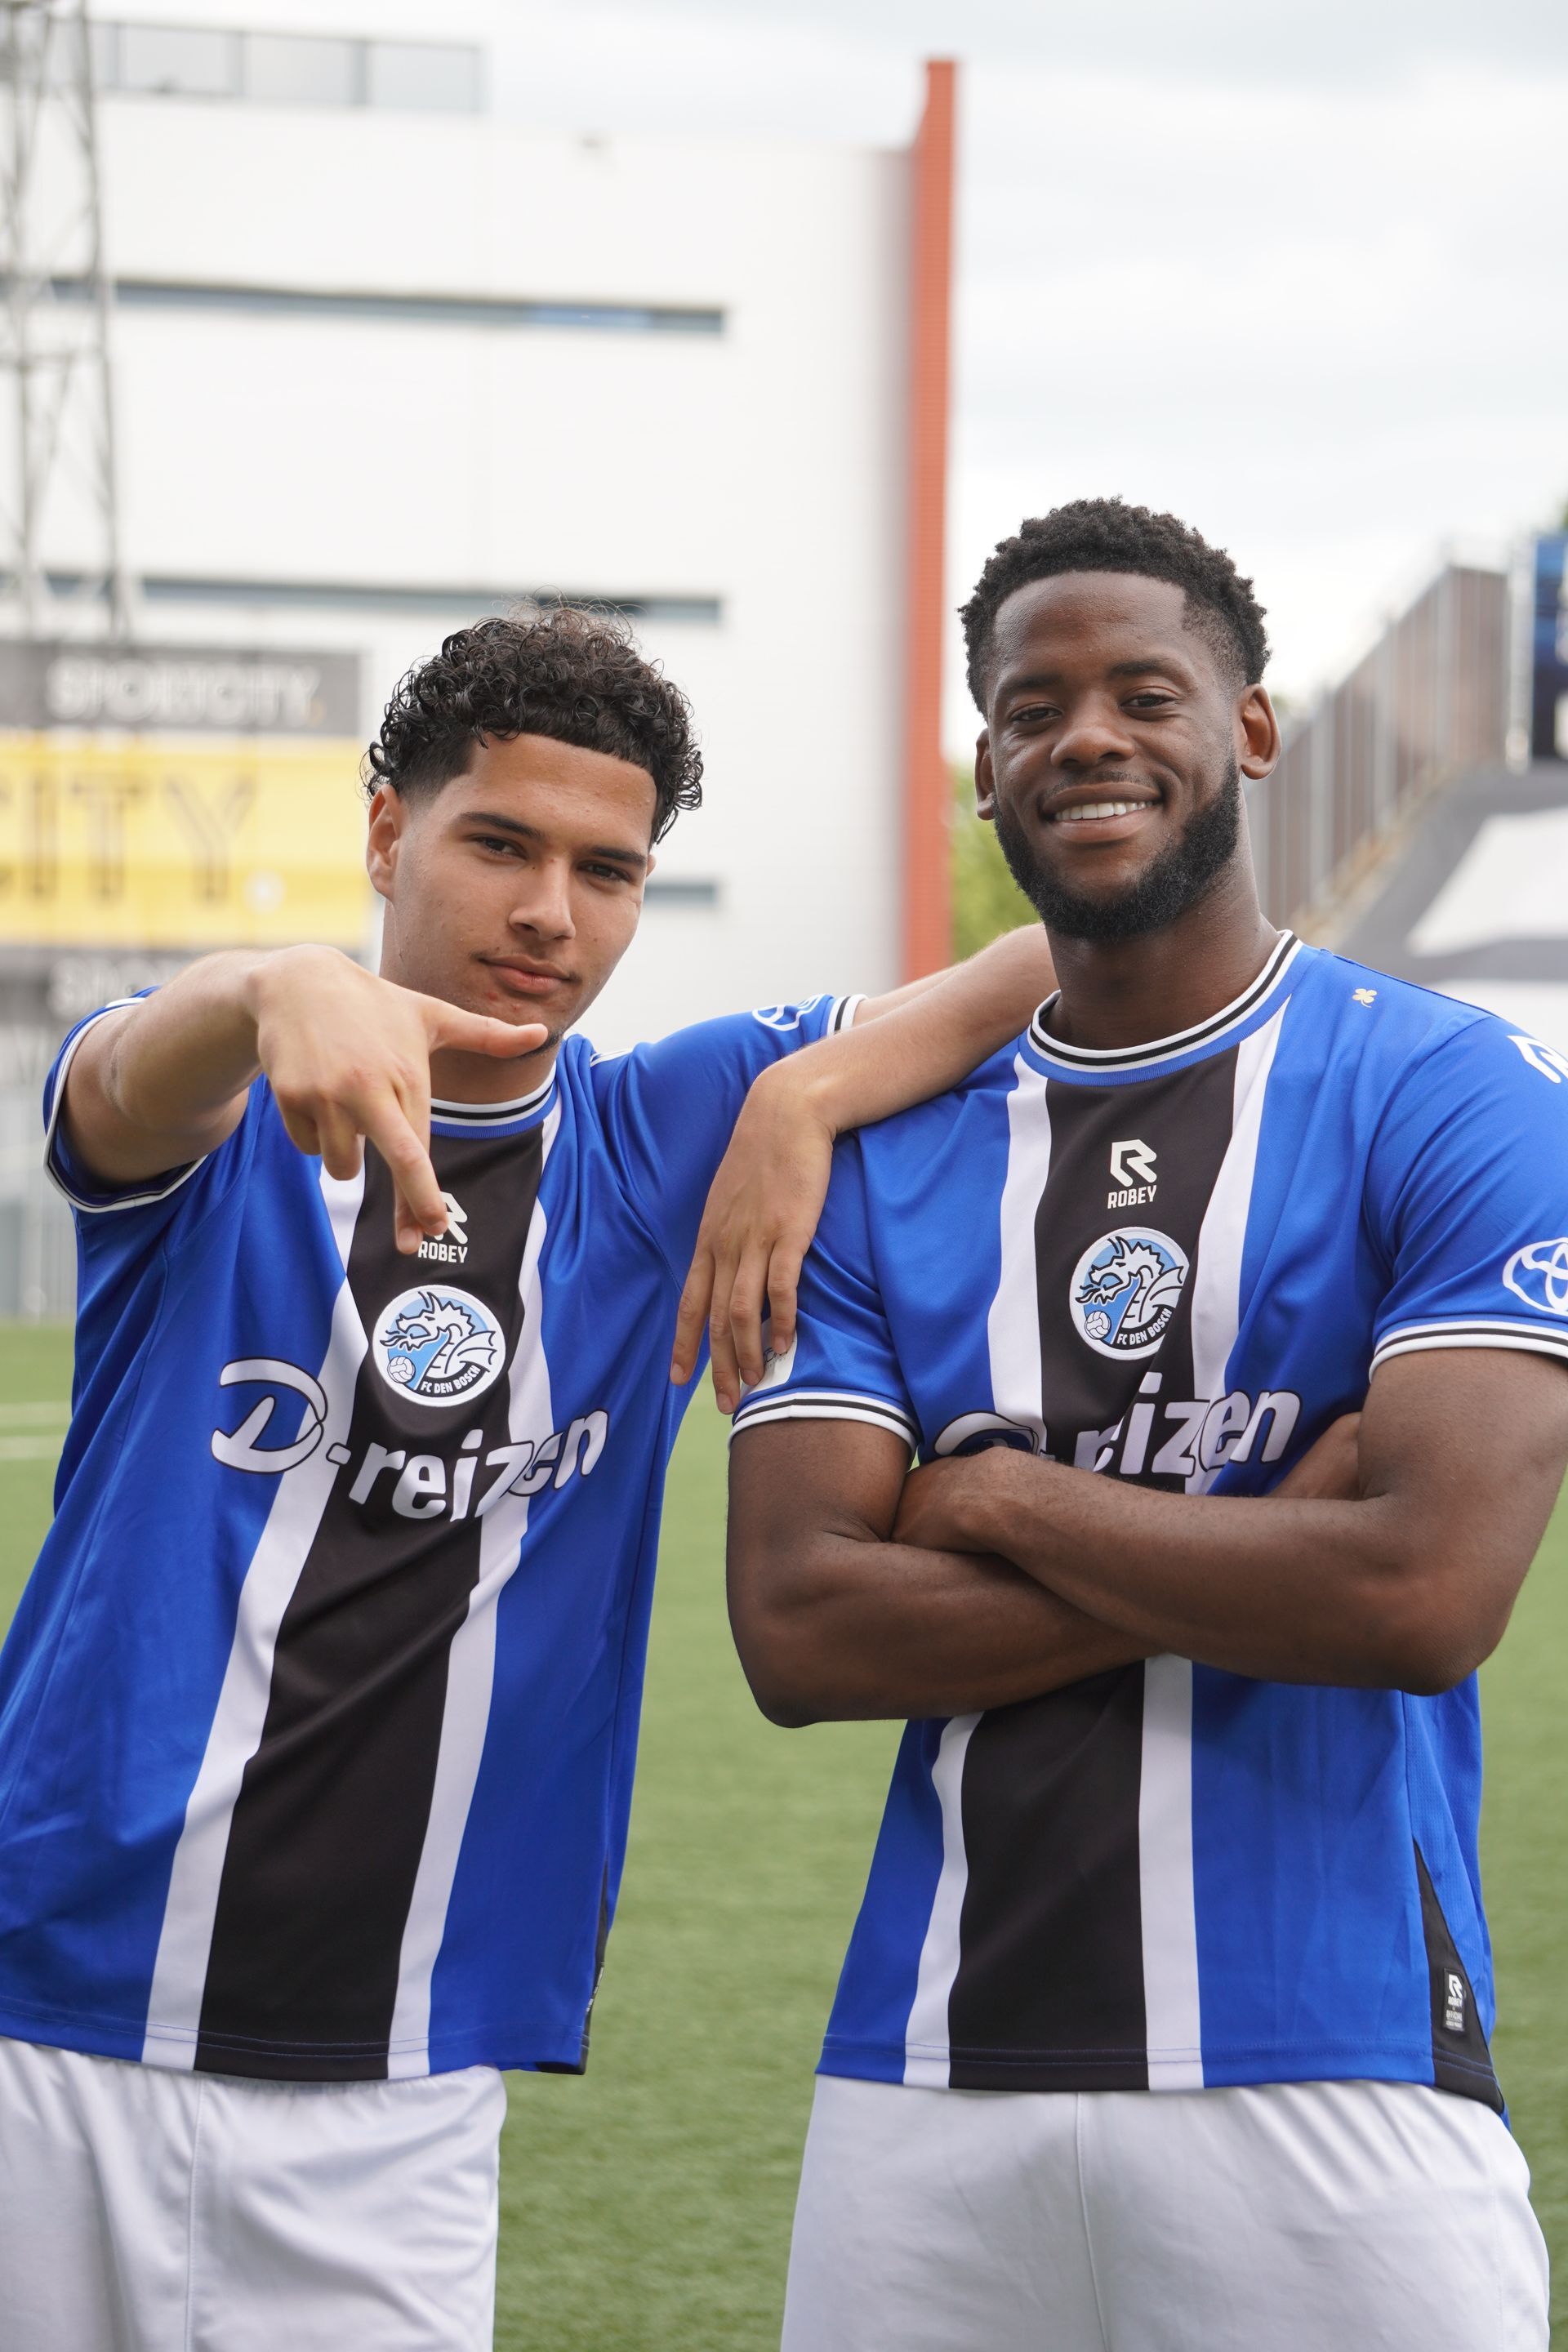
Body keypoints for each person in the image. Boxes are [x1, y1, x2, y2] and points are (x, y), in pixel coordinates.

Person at [0, 607, 1058, 2351]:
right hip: (45, 2016)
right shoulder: (220, 1105)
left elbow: (1043, 965)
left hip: (406, 2072)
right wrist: (270, 984)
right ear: (385, 832)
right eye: (499, 844)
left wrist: (801, 1101)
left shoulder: (654, 1137)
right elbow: (118, 1081)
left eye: (607, 870)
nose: (553, 912)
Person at [725, 500, 1568, 2351]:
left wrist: (999, 1500)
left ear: (1249, 727)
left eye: (1144, 693)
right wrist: (1279, 1530)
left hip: (1339, 2063)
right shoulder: (878, 1161)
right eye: (1032, 710)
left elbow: (1423, 1595)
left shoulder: (1457, 1094)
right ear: (987, 770)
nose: (1086, 738)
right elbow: (799, 1630)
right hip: (929, 2077)